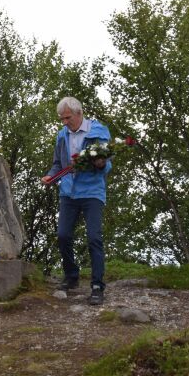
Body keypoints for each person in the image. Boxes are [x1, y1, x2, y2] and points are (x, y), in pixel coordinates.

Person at [41, 97, 111, 305]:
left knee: (93, 237)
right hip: (68, 192)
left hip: (92, 192)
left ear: (79, 113)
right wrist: (50, 176)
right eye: (61, 119)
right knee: (62, 235)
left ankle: (97, 286)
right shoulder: (62, 135)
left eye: (67, 118)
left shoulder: (98, 132)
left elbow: (106, 165)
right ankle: (71, 276)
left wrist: (100, 164)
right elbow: (57, 164)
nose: (64, 122)